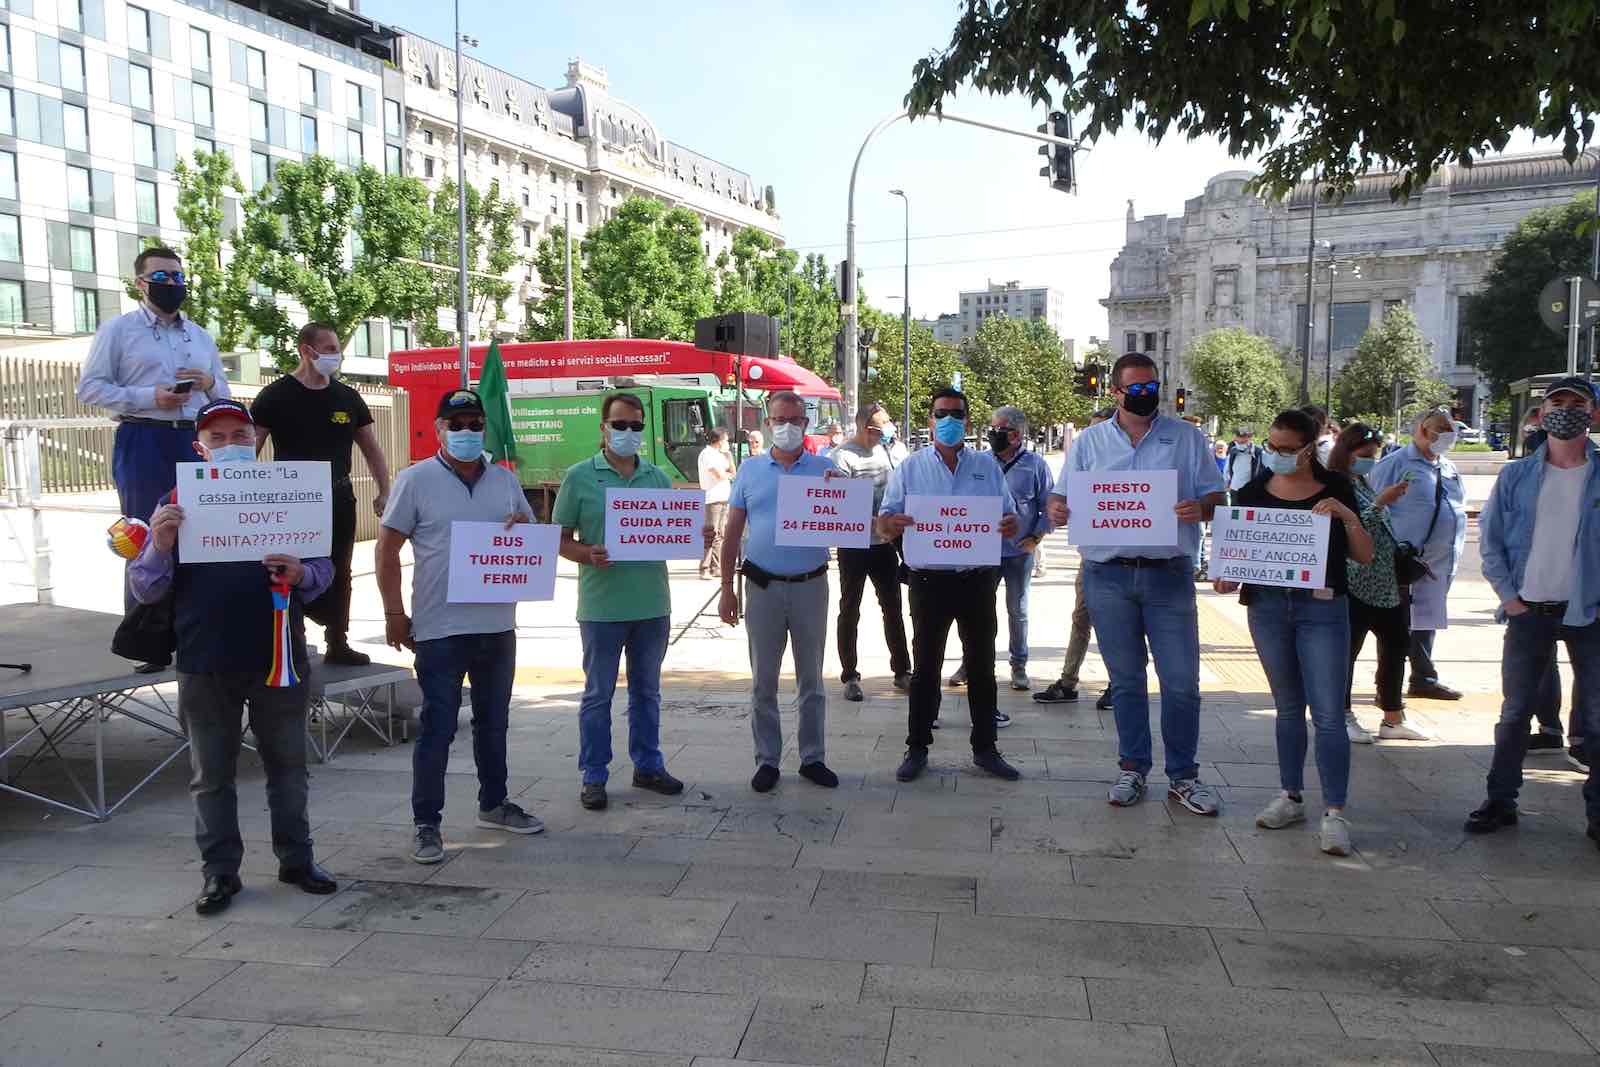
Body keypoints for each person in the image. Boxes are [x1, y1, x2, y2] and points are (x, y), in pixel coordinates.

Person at [128, 399, 336, 915]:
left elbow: (325, 568)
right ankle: (220, 873)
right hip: (205, 660)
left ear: (256, 440)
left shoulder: (289, 493)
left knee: (289, 768)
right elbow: (146, 589)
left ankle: (297, 860)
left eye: (240, 436)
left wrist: (302, 574)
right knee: (211, 775)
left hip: (279, 659)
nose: (230, 446)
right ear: (199, 448)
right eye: (217, 438)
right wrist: (159, 543)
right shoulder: (175, 500)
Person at [1046, 354, 1227, 815]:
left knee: (1181, 682)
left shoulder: (1186, 438)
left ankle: (1184, 776)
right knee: (1126, 682)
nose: (1146, 394)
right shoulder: (1089, 443)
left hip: (1168, 575)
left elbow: (1216, 496)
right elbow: (1063, 495)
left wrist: (1200, 508)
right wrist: (1059, 509)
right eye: (1136, 388)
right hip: (1107, 574)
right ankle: (1133, 767)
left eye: (1153, 386)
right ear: (1116, 392)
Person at [378, 388, 544, 865]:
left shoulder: (505, 481)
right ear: (439, 430)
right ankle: (426, 823)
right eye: (457, 424)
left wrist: (522, 528)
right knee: (439, 727)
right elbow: (387, 550)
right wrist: (394, 612)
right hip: (439, 627)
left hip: (497, 624)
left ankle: (494, 803)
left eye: (475, 424)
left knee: (495, 723)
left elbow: (531, 541)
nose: (467, 432)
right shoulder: (416, 480)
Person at [1218, 409, 1374, 856]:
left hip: (1322, 608)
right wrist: (1227, 574)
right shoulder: (1253, 491)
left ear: (1310, 448)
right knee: (1287, 709)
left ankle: (1335, 811)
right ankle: (1291, 795)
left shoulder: (1337, 488)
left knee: (1327, 713)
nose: (1279, 455)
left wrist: (1347, 517)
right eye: (1274, 447)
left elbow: (1364, 555)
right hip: (1268, 608)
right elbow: (1236, 554)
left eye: (1288, 449)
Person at [78, 247, 229, 665]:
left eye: (178, 277)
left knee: (199, 532)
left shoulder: (200, 336)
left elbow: (225, 398)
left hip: (193, 441)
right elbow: (90, 388)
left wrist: (209, 381)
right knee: (144, 533)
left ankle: (196, 629)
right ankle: (147, 640)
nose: (172, 284)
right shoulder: (119, 331)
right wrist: (150, 397)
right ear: (140, 283)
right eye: (162, 277)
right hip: (143, 437)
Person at [1469, 376, 1600, 849]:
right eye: (1557, 402)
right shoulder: (1517, 476)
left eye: (1577, 403)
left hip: (1590, 615)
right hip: (1529, 612)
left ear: (1595, 414)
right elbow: (1493, 543)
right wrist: (1510, 600)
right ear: (1541, 415)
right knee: (1514, 713)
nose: (1566, 409)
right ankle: (1501, 800)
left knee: (1598, 717)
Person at [879, 387, 1022, 784]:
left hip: (976, 580)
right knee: (926, 666)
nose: (948, 420)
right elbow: (884, 518)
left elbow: (1010, 516)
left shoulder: (987, 467)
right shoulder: (909, 468)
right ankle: (917, 745)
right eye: (941, 413)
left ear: (968, 421)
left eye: (956, 414)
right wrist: (891, 525)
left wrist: (1011, 525)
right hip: (928, 582)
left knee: (982, 666)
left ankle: (986, 749)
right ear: (929, 420)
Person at [554, 392, 687, 811]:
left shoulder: (657, 478)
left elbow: (674, 532)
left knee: (648, 693)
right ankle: (594, 775)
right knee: (598, 695)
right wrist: (586, 554)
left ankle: (648, 765)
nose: (627, 432)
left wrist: (693, 535)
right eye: (619, 425)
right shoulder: (579, 477)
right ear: (603, 427)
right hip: (602, 608)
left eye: (634, 426)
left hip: (652, 605)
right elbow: (558, 539)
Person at [250, 322, 391, 666]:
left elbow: (372, 450)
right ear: (306, 351)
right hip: (290, 502)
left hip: (338, 498)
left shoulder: (347, 397)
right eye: (328, 348)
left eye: (337, 348)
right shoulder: (275, 396)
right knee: (286, 568)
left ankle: (337, 641)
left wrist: (385, 490)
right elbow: (250, 448)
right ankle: (288, 637)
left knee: (340, 569)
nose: (335, 355)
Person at [719, 391, 838, 792]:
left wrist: (841, 493)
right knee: (763, 681)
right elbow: (732, 531)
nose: (787, 426)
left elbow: (850, 519)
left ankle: (812, 757)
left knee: (812, 680)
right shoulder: (750, 471)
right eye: (779, 419)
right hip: (763, 587)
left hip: (811, 586)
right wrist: (726, 589)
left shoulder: (826, 468)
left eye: (795, 420)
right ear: (767, 423)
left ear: (806, 424)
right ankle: (767, 759)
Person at [1325, 423, 1428, 743]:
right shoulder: (1336, 485)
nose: (1371, 459)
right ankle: (1341, 715)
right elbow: (1347, 529)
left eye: (1374, 454)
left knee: (1397, 645)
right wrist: (1381, 501)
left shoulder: (1362, 481)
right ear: (1347, 453)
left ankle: (1393, 717)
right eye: (1364, 454)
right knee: (1346, 653)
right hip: (1355, 582)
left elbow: (1380, 528)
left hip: (1383, 581)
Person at [947, 405, 1051, 697]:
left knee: (1017, 610)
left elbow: (1048, 506)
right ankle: (971, 663)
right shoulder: (979, 463)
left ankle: (1018, 665)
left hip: (1018, 552)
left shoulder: (1036, 465)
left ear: (1016, 435)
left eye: (998, 430)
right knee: (975, 611)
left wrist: (1035, 537)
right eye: (990, 429)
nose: (992, 434)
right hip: (982, 552)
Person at [1368, 408, 1468, 701]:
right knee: (1397, 627)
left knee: (1426, 620)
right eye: (1443, 432)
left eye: (1452, 432)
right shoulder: (1395, 463)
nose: (1449, 438)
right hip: (1404, 563)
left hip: (1438, 563)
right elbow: (1373, 504)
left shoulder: (1446, 467)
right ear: (1424, 431)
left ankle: (1422, 678)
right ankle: (1388, 686)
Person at [1035, 407, 1115, 710]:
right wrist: (1059, 509)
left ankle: (1118, 684)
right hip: (1092, 557)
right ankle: (1068, 681)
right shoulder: (1082, 471)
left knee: (1116, 625)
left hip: (1123, 560)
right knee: (1081, 618)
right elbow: (1058, 498)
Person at [832, 402, 911, 702]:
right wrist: (872, 522)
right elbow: (840, 503)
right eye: (884, 423)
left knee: (893, 608)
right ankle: (850, 675)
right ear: (867, 427)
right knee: (849, 608)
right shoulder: (842, 457)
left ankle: (902, 671)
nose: (889, 428)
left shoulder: (887, 451)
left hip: (884, 545)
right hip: (853, 545)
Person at [698, 428, 734, 579]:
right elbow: (718, 475)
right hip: (713, 498)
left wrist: (729, 456)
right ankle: (704, 568)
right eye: (725, 440)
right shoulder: (707, 454)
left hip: (724, 497)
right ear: (718, 441)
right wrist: (729, 474)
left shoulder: (721, 455)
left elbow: (733, 472)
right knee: (710, 533)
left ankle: (716, 566)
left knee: (720, 534)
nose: (727, 443)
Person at [1226, 428, 1262, 502]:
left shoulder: (1258, 452)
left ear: (1249, 438)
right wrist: (1227, 484)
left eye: (1244, 438)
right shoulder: (1233, 451)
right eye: (1238, 438)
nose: (1240, 441)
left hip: (1251, 490)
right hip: (1235, 488)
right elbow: (1227, 470)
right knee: (1235, 512)